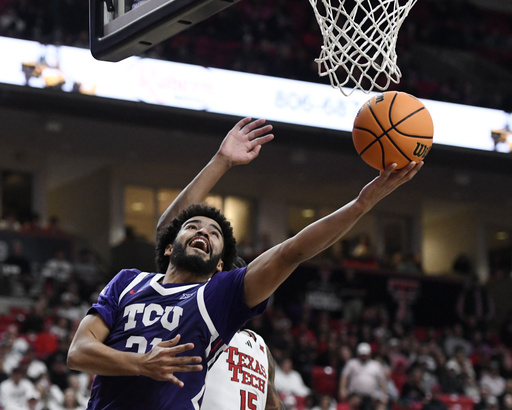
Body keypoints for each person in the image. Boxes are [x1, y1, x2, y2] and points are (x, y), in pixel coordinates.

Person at [67, 116, 422, 409]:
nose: (202, 232)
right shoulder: (129, 281)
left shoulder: (219, 298)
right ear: (168, 249)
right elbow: (79, 352)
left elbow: (292, 251)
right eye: (193, 227)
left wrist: (361, 205)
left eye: (214, 234)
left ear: (221, 266)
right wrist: (141, 364)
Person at [338, 342, 388, 410]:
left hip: (371, 397)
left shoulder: (375, 365)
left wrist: (384, 395)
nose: (363, 356)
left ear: (369, 354)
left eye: (365, 354)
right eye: (362, 354)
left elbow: (382, 381)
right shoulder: (352, 363)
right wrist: (342, 389)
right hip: (354, 395)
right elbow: (344, 377)